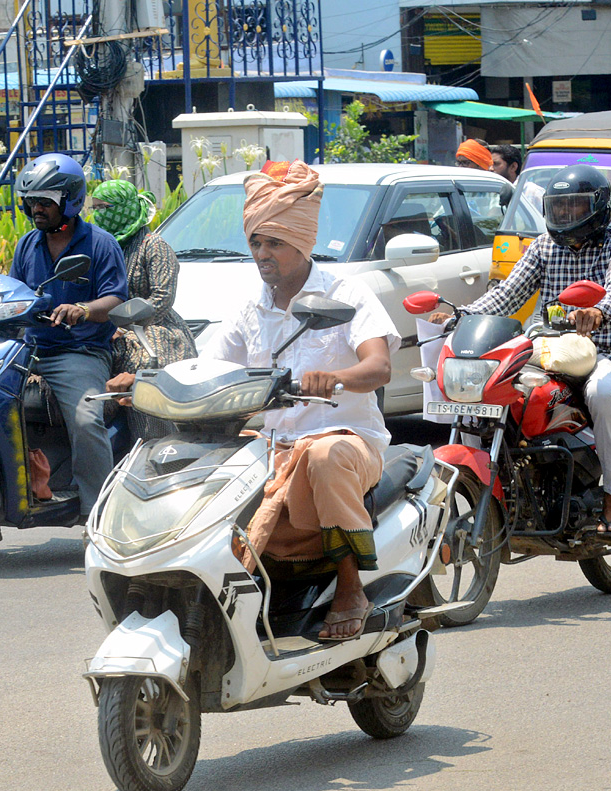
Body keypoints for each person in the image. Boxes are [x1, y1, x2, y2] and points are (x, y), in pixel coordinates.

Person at [109, 162, 400, 641]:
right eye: (256, 243)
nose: (262, 254)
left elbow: (379, 367)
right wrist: (143, 381)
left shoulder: (347, 293)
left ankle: (351, 589)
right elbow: (207, 367)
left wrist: (336, 378)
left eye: (274, 243)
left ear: (302, 244)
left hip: (345, 440)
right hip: (267, 443)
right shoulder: (250, 306)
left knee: (323, 457)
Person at [430, 163, 611, 533]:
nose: (566, 214)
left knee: (602, 394)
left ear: (598, 207)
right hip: (548, 352)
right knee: (498, 393)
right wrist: (461, 315)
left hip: (604, 352)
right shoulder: (543, 246)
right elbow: (508, 293)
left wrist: (597, 311)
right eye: (559, 207)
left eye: (575, 206)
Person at [10, 153, 128, 519]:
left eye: (46, 201)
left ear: (70, 200)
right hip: (29, 348)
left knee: (85, 419)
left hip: (79, 351)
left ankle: (98, 515)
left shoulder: (100, 243)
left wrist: (84, 309)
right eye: (31, 202)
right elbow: (13, 293)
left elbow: (117, 297)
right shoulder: (27, 245)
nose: (37, 209)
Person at [89, 179, 197, 438]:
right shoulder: (101, 247)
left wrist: (124, 327)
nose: (98, 215)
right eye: (95, 208)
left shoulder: (153, 245)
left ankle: (157, 444)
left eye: (105, 208)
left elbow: (161, 298)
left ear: (124, 208)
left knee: (147, 371)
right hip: (109, 330)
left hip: (152, 328)